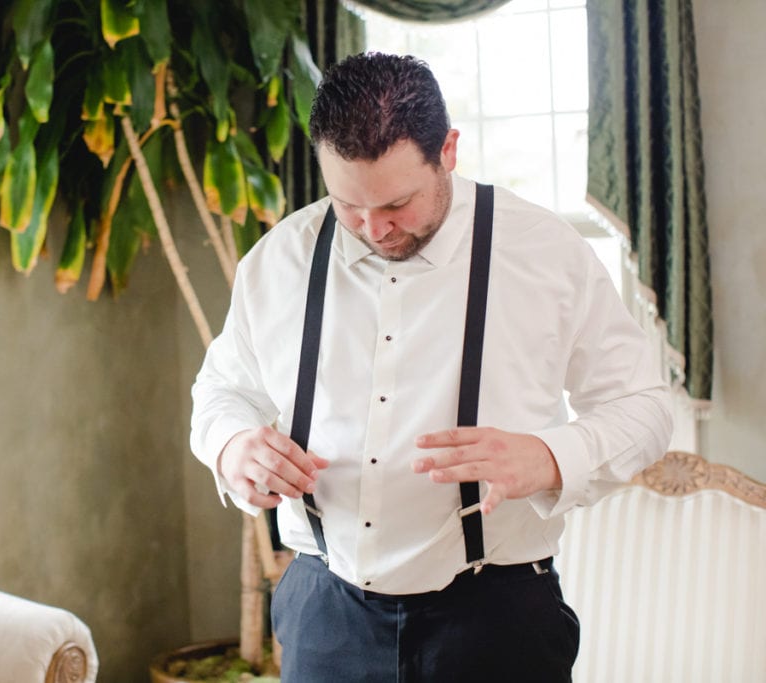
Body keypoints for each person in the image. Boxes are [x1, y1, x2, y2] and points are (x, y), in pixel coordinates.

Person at [190, 52, 672, 682]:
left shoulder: (546, 253)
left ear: (448, 149)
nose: (373, 228)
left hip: (498, 619)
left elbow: (646, 406)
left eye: (398, 203)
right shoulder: (278, 260)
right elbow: (222, 390)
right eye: (348, 204)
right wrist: (232, 448)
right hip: (324, 614)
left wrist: (551, 456)